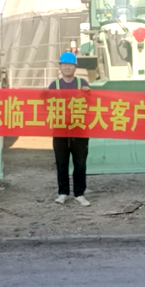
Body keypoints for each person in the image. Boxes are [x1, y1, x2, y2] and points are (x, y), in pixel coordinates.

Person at [48, 52, 92, 207]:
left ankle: (79, 194)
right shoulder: (54, 85)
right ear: (60, 67)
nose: (67, 67)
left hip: (79, 130)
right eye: (64, 65)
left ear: (75, 67)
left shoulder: (82, 83)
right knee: (61, 163)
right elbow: (45, 105)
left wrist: (88, 93)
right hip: (60, 130)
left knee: (80, 163)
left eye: (70, 65)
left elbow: (92, 104)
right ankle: (63, 193)